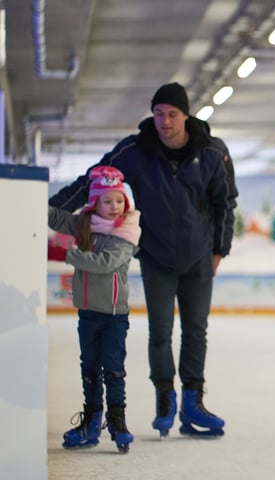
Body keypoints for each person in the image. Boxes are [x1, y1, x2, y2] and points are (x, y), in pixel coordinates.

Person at [49, 82, 238, 438]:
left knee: (196, 331)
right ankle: (165, 400)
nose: (164, 121)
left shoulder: (213, 152)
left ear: (185, 116)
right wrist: (43, 207)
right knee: (160, 332)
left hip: (199, 259)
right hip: (156, 257)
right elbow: (92, 180)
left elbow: (225, 202)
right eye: (158, 113)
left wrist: (219, 251)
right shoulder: (135, 150)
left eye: (172, 114)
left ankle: (193, 402)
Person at [48, 166, 141, 453]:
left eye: (119, 201)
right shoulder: (85, 224)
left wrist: (64, 254)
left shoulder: (126, 232)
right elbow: (53, 217)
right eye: (107, 201)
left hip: (114, 315)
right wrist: (27, 195)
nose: (114, 207)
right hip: (87, 312)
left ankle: (117, 420)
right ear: (95, 203)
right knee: (89, 368)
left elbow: (105, 264)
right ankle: (91, 421)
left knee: (112, 370)